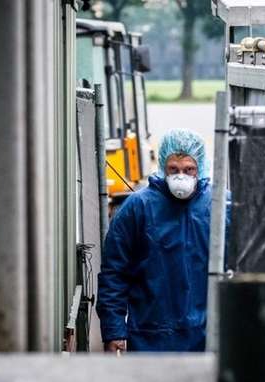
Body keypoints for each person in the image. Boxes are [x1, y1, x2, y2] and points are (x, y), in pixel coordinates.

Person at [96, 129, 229, 352]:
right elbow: (114, 273)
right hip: (151, 338)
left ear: (201, 168)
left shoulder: (219, 205)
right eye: (173, 169)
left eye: (189, 170)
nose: (181, 176)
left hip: (207, 337)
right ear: (162, 168)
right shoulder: (138, 208)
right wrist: (114, 331)